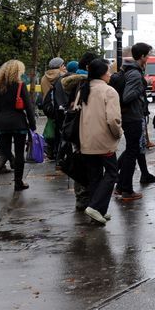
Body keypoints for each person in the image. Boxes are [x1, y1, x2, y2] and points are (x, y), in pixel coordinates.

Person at [78, 59, 122, 225]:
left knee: (95, 175)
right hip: (104, 140)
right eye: (108, 71)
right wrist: (118, 133)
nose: (110, 74)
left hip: (86, 140)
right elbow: (113, 119)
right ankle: (95, 207)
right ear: (102, 74)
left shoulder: (84, 89)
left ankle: (98, 210)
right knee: (112, 173)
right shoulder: (109, 91)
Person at [0, 59, 37, 193]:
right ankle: (18, 183)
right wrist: (32, 125)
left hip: (2, 123)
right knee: (19, 154)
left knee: (4, 152)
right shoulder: (20, 85)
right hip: (19, 123)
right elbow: (29, 108)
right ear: (18, 71)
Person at [116, 42, 155, 200]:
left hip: (131, 116)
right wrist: (142, 86)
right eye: (148, 55)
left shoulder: (131, 71)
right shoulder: (135, 74)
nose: (149, 57)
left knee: (132, 152)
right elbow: (127, 97)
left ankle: (121, 186)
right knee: (132, 153)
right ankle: (126, 189)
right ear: (143, 56)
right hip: (132, 118)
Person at [59, 51, 98, 210]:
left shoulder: (72, 82)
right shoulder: (86, 83)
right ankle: (87, 196)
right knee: (89, 162)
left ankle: (81, 197)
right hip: (86, 127)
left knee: (79, 159)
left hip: (74, 128)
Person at [39, 57, 65, 159]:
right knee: (58, 128)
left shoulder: (44, 77)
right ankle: (57, 151)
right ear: (59, 66)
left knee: (51, 125)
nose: (64, 67)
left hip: (47, 106)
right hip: (58, 106)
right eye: (63, 65)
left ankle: (50, 148)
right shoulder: (61, 75)